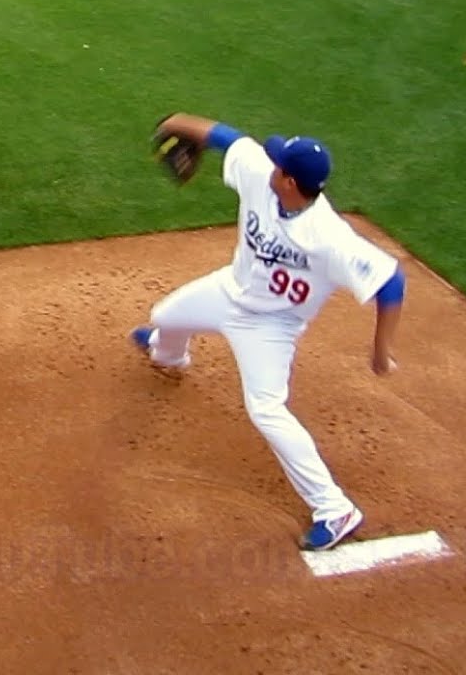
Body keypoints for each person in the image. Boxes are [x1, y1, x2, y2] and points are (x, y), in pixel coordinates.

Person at [130, 113, 406, 551]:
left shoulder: (330, 238)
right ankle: (169, 356)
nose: (270, 163)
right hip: (230, 289)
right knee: (164, 315)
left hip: (272, 326)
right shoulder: (261, 172)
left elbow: (391, 282)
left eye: (280, 164)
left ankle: (334, 509)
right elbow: (226, 136)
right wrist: (172, 122)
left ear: (291, 182)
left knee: (266, 410)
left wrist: (380, 351)